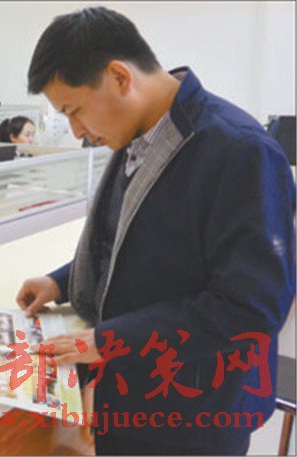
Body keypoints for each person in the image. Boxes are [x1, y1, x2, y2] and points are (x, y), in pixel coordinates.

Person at [16, 7, 295, 456]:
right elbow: (135, 243)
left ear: (119, 77)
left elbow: (251, 306)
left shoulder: (240, 151)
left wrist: (108, 341)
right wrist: (61, 281)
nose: (77, 131)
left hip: (192, 415)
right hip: (131, 396)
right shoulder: (140, 135)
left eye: (74, 110)